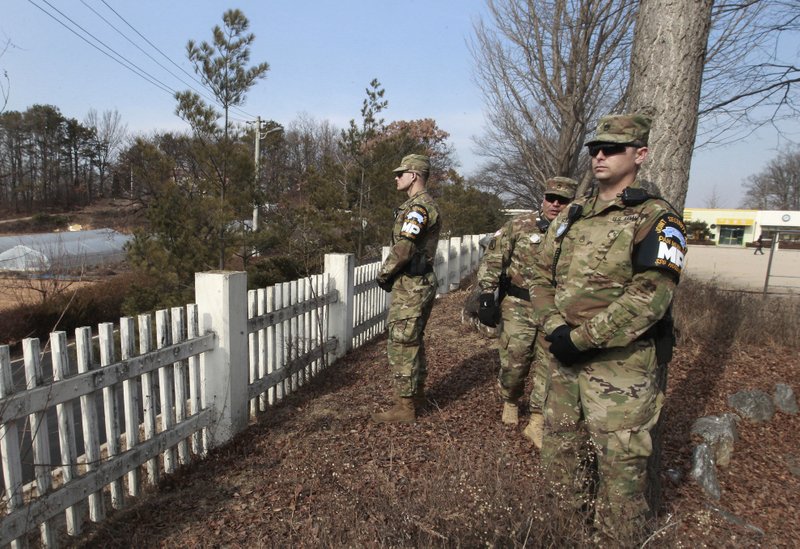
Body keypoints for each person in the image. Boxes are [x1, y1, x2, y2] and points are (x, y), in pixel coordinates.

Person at [526, 114, 687, 542]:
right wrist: (557, 327)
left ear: (640, 155)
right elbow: (539, 277)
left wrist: (581, 339)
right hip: (563, 367)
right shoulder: (572, 216)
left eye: (612, 148)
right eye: (595, 148)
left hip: (620, 371)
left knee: (621, 488)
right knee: (561, 468)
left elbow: (650, 296)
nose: (599, 155)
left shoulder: (657, 218)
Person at [475, 177, 578, 448]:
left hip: (555, 309)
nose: (555, 204)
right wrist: (487, 294)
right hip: (518, 305)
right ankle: (510, 398)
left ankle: (537, 420)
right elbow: (494, 258)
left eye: (562, 200)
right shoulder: (520, 225)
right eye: (551, 198)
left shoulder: (578, 230)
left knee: (549, 365)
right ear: (543, 198)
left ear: (571, 202)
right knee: (515, 359)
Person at [373, 154, 441, 424]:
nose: (396, 177)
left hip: (412, 285)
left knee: (402, 344)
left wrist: (385, 274)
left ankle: (406, 407)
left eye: (401, 173)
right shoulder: (418, 206)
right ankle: (416, 397)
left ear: (414, 175)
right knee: (412, 341)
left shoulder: (418, 209)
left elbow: (405, 247)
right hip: (416, 283)